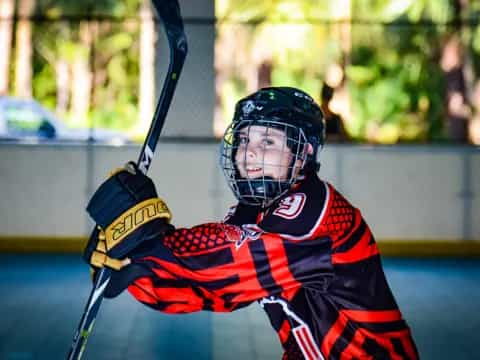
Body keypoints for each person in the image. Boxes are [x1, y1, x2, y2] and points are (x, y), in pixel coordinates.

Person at [85, 87, 418, 359]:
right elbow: (210, 292)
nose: (249, 154)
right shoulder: (254, 213)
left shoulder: (318, 214)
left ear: (302, 155)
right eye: (244, 140)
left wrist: (147, 241)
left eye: (267, 142)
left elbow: (224, 262)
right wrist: (133, 271)